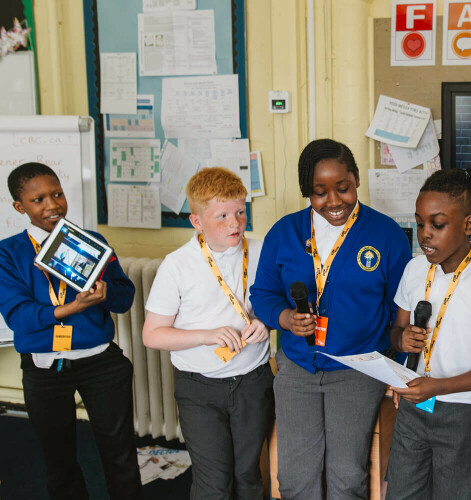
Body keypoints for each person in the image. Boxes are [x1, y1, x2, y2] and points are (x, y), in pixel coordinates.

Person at [249, 139, 412, 499]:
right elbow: (261, 295)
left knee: (347, 477)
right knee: (294, 478)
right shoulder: (284, 232)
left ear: (355, 180)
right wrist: (286, 317)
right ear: (307, 192)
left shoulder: (386, 235)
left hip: (357, 368)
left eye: (343, 188)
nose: (334, 201)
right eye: (320, 193)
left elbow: (402, 309)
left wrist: (399, 371)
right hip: (297, 369)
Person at [0, 162, 142, 499]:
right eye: (38, 200)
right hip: (45, 368)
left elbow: (124, 299)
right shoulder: (8, 252)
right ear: (20, 207)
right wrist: (72, 308)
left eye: (57, 194)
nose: (52, 205)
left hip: (100, 362)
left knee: (120, 454)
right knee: (59, 460)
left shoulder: (91, 242)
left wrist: (107, 290)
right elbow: (20, 317)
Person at [142, 167, 273, 500]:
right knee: (215, 481)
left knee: (248, 474)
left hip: (252, 379)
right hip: (199, 386)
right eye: (222, 216)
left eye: (241, 212)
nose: (235, 223)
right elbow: (153, 335)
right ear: (197, 222)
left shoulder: (260, 252)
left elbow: (276, 302)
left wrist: (267, 321)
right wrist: (206, 335)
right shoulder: (177, 265)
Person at [386, 166, 471, 499]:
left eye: (437, 224)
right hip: (414, 409)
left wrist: (436, 386)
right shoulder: (415, 270)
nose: (424, 234)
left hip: (465, 415)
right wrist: (402, 339)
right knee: (401, 492)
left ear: (467, 225)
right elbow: (396, 330)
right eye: (419, 223)